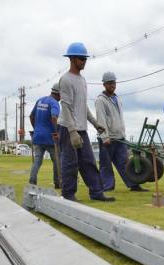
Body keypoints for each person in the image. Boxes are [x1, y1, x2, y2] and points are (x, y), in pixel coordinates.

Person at [57, 42, 114, 202]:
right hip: (67, 128)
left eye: (85, 59)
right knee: (70, 163)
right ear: (72, 59)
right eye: (81, 59)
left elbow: (82, 106)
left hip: (81, 128)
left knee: (88, 161)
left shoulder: (82, 80)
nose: (84, 62)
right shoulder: (66, 80)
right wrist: (72, 131)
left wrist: (95, 123)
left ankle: (96, 192)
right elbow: (66, 107)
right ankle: (68, 195)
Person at [95, 71, 148, 192]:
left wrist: (123, 134)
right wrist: (104, 137)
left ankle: (134, 184)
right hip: (107, 138)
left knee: (125, 163)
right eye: (109, 83)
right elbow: (101, 119)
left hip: (119, 137)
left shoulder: (117, 98)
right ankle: (107, 187)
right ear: (104, 84)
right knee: (106, 164)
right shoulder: (100, 100)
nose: (112, 85)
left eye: (113, 83)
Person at [28, 83, 61, 188]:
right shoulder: (55, 103)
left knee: (37, 161)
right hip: (50, 137)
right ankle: (57, 183)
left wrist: (36, 129)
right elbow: (54, 117)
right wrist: (56, 131)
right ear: (59, 94)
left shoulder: (40, 100)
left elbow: (31, 116)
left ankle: (32, 182)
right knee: (56, 161)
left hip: (37, 136)